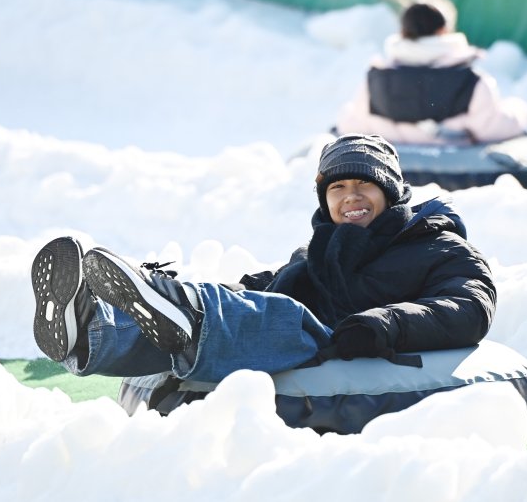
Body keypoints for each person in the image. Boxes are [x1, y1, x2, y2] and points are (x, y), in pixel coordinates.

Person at [31, 134, 496, 387]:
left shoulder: (441, 246)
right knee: (245, 305)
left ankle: (183, 311)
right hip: (320, 334)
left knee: (288, 320)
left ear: (390, 193)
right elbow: (283, 281)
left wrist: (386, 323)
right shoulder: (323, 249)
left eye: (363, 186)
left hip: (354, 340)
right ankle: (93, 333)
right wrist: (246, 286)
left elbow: (469, 306)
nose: (350, 198)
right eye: (337, 189)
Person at [335, 2, 527, 145]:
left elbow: (355, 126)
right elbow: (491, 130)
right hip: (456, 169)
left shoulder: (376, 78)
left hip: (390, 164)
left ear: (402, 33)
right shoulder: (471, 81)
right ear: (444, 31)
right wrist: (519, 110)